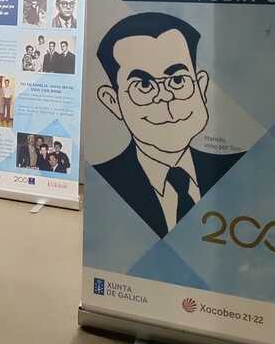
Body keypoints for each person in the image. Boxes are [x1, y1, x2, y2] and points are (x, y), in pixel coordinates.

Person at [94, 12, 245, 239]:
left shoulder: (239, 169)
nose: (165, 96)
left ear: (201, 87)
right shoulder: (103, 184)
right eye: (144, 85)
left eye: (178, 80)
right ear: (113, 102)